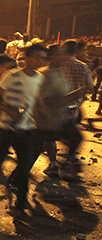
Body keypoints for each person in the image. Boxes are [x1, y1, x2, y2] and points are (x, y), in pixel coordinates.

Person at [0, 43, 47, 211]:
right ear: (27, 58)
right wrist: (10, 111)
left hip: (27, 128)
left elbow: (33, 102)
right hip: (5, 128)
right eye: (37, 57)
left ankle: (20, 202)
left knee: (24, 165)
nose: (39, 61)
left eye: (43, 58)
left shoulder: (40, 78)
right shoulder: (11, 76)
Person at [35, 44, 86, 178]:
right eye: (59, 54)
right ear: (50, 57)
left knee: (75, 138)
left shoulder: (61, 71)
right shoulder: (44, 74)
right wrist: (72, 96)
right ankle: (54, 165)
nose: (63, 57)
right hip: (48, 119)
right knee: (51, 140)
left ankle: (64, 162)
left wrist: (72, 104)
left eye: (63, 53)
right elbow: (48, 101)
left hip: (63, 116)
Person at [58, 40, 94, 172]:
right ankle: (69, 158)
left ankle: (67, 157)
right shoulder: (82, 66)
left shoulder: (58, 65)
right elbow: (90, 88)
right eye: (83, 51)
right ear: (77, 51)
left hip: (56, 107)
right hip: (73, 107)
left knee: (64, 133)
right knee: (74, 135)